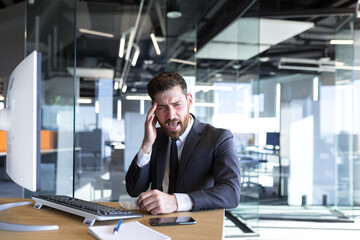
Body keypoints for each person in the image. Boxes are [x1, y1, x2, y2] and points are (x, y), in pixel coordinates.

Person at [126, 71, 241, 215]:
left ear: (190, 101)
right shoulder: (155, 137)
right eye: (162, 108)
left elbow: (231, 192)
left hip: (196, 226)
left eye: (177, 105)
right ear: (153, 109)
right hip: (156, 223)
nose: (171, 115)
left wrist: (176, 202)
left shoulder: (218, 138)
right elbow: (133, 189)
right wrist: (146, 145)